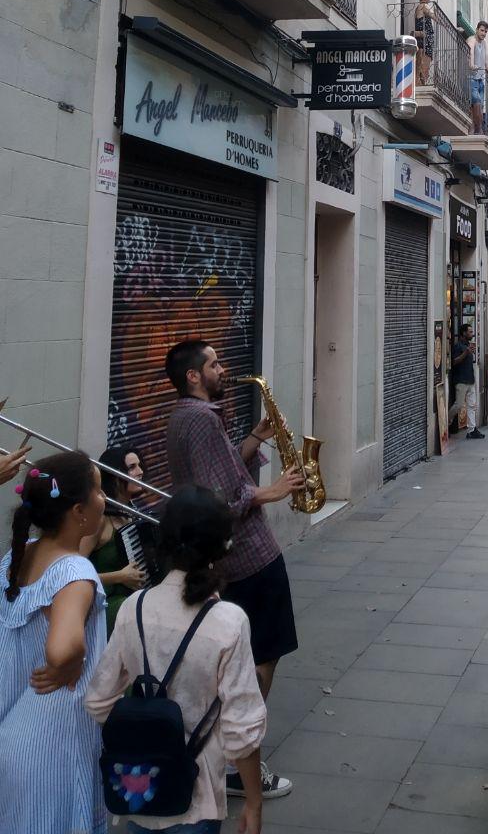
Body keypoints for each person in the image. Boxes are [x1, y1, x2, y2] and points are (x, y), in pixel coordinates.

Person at [165, 339, 302, 800]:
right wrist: (272, 491)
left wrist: (256, 438)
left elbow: (217, 476)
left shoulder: (183, 416)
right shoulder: (203, 419)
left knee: (247, 655)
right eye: (214, 364)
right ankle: (235, 758)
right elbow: (221, 498)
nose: (223, 369)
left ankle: (224, 751)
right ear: (193, 376)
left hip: (230, 556)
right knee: (261, 656)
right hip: (249, 555)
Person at [86, 485, 267, 834]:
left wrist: (143, 729)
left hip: (138, 793)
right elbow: (242, 729)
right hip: (197, 796)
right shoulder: (228, 622)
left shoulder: (133, 608)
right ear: (221, 547)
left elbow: (98, 701)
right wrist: (254, 802)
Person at [0, 450, 108, 834]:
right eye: (99, 490)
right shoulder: (74, 573)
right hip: (52, 746)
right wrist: (74, 659)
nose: (104, 498)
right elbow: (62, 648)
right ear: (78, 511)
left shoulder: (17, 557)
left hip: (15, 735)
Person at [88, 446, 147, 635]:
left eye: (139, 465)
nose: (140, 471)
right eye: (132, 467)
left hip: (130, 600)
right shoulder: (100, 519)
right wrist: (120, 576)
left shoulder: (131, 510)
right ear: (114, 476)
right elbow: (71, 574)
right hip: (105, 605)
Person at [452, 323, 484, 440]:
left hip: (470, 379)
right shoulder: (458, 346)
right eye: (470, 332)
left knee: (472, 405)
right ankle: (446, 421)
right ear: (463, 333)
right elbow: (454, 361)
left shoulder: (468, 345)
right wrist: (466, 353)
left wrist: (472, 352)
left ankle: (471, 430)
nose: (472, 334)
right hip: (461, 380)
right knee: (459, 405)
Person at [468, 20, 488, 133]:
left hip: (481, 80)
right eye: (482, 30)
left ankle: (473, 128)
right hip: (471, 78)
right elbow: (470, 52)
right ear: (477, 30)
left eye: (485, 31)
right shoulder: (472, 40)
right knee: (476, 103)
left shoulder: (484, 43)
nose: (483, 33)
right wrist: (471, 65)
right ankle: (479, 129)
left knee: (478, 106)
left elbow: (487, 61)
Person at [412, 0, 435, 87]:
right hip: (424, 42)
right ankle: (418, 86)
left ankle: (419, 85)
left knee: (422, 70)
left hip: (425, 41)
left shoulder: (420, 8)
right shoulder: (423, 6)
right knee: (422, 70)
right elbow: (436, 17)